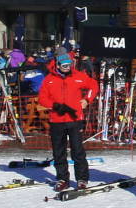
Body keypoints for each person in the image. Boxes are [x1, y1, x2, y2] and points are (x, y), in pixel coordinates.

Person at [37, 53, 99, 192]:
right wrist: (55, 105)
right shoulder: (49, 79)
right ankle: (62, 179)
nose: (67, 68)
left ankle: (82, 179)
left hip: (75, 119)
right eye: (64, 65)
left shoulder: (78, 76)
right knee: (59, 152)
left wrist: (87, 100)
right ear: (57, 65)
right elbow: (42, 98)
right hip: (57, 120)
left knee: (78, 151)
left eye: (69, 65)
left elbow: (93, 86)